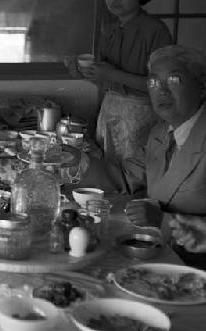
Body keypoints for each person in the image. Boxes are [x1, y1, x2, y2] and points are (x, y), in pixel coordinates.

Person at [83, 45, 206, 270]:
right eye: (153, 82)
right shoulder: (161, 132)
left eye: (174, 80)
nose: (162, 91)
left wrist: (162, 220)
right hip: (157, 254)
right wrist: (74, 161)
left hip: (194, 268)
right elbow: (125, 177)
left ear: (202, 86)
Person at [67, 0, 172, 161]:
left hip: (142, 114)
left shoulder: (155, 30)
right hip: (109, 110)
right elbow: (104, 80)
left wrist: (113, 75)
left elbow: (162, 85)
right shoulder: (110, 30)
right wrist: (85, 72)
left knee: (135, 172)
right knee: (109, 170)